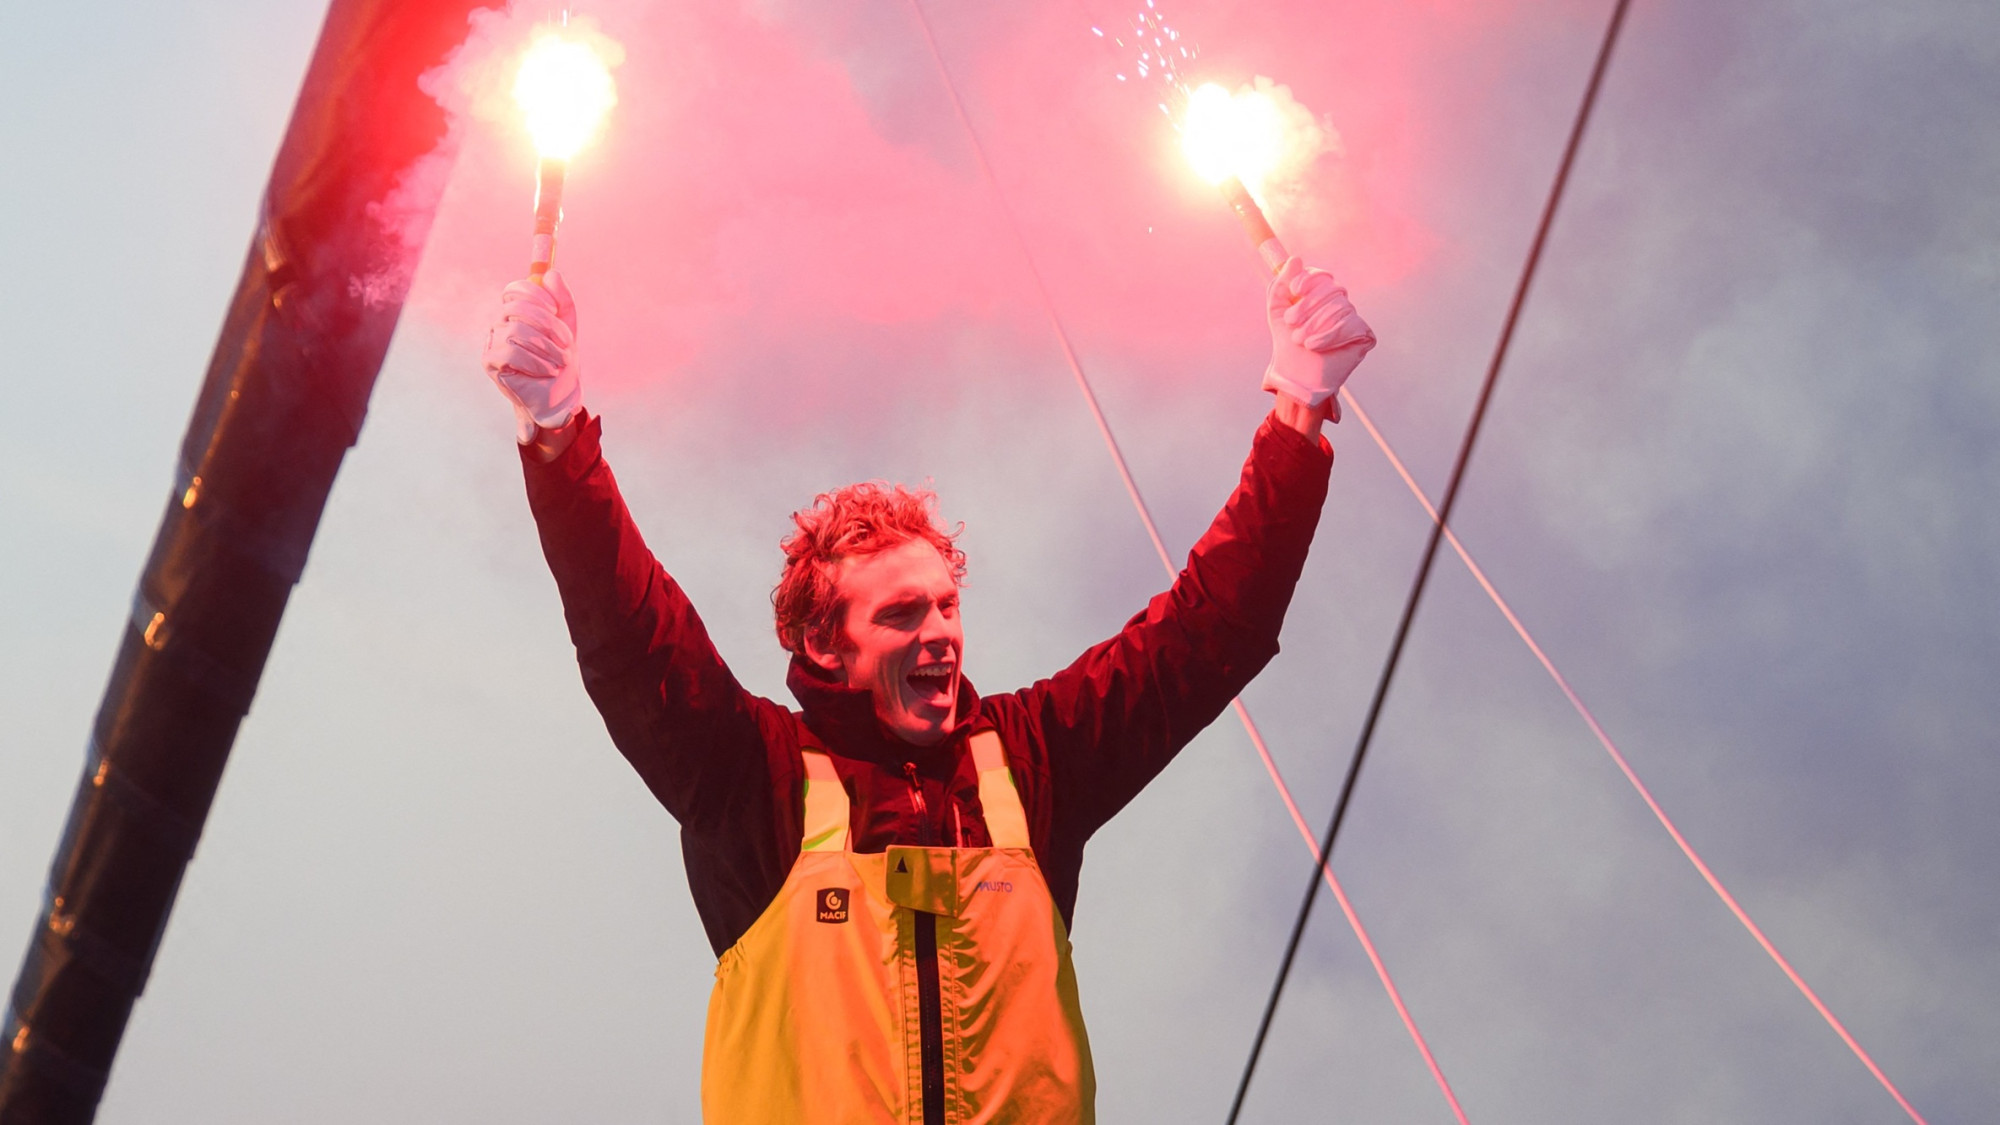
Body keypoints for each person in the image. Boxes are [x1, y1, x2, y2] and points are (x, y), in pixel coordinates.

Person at [481, 259, 1374, 1124]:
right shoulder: (749, 779)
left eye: (947, 605)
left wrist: (1298, 416)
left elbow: (1206, 631)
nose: (941, 633)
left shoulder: (1031, 759)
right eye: (903, 615)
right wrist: (558, 440)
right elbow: (632, 637)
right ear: (824, 645)